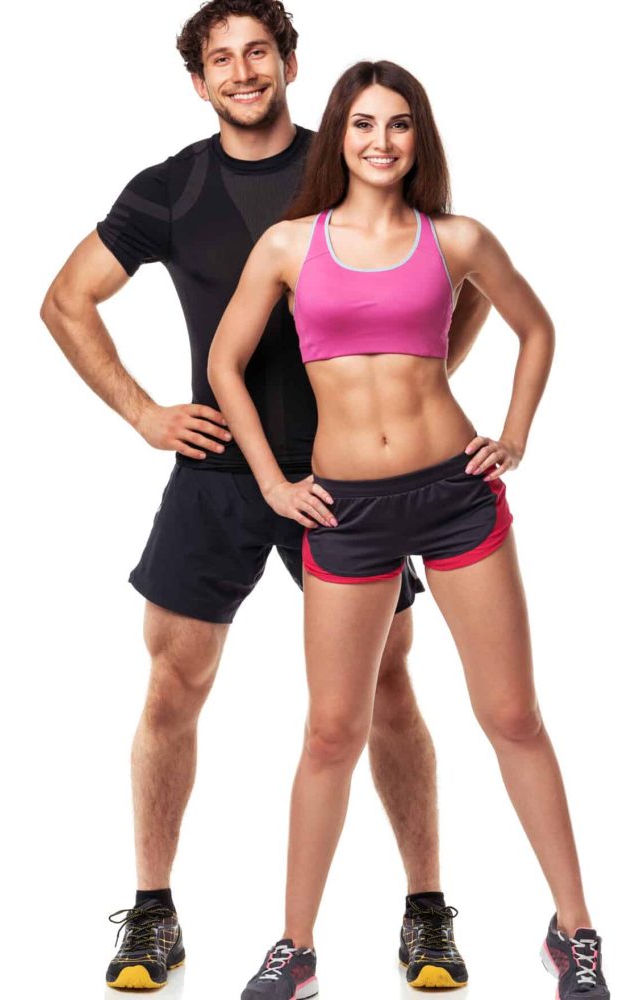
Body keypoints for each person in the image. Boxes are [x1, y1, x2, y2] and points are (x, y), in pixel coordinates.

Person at [39, 1, 491, 991]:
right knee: (174, 683)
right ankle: (152, 912)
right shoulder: (169, 189)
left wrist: (426, 387)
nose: (241, 72)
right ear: (197, 83)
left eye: (258, 53)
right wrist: (142, 412)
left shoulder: (346, 166)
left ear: (289, 63)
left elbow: (462, 273)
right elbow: (65, 300)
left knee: (386, 687)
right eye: (219, 60)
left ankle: (424, 909)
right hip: (219, 474)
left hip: (347, 482)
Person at [209, 60, 611, 1000]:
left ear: (417, 139)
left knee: (512, 715)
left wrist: (513, 435)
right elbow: (226, 366)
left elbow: (537, 328)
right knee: (331, 732)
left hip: (455, 493)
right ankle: (295, 949)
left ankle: (577, 930)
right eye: (361, 125)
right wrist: (274, 480)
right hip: (344, 511)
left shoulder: (457, 239)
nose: (380, 142)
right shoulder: (287, 244)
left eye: (398, 126)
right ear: (339, 136)